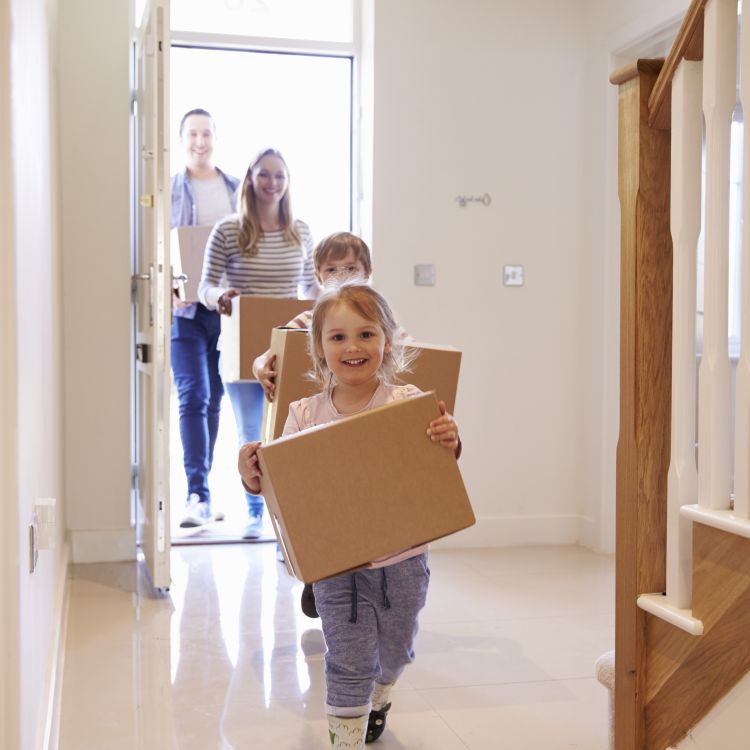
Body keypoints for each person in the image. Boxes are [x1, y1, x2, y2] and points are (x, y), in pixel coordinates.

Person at [237, 283, 461, 749]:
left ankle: (381, 695)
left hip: (403, 560)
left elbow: (435, 469)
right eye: (337, 337)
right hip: (336, 568)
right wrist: (252, 474)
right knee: (347, 658)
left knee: (394, 653)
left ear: (387, 341)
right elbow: (283, 489)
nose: (353, 347)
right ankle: (346, 737)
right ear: (319, 349)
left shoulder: (407, 402)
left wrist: (449, 439)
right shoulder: (303, 414)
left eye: (365, 334)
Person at [199, 147, 320, 539]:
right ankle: (255, 511)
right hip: (241, 349)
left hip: (289, 349)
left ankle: (286, 518)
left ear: (288, 182)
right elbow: (205, 285)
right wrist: (218, 296)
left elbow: (310, 287)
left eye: (279, 176)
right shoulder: (229, 230)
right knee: (252, 432)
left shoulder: (300, 231)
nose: (272, 183)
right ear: (250, 179)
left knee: (291, 434)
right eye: (264, 175)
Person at [171, 108, 240, 528]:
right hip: (185, 311)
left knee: (215, 399)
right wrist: (167, 288)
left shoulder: (234, 188)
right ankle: (196, 492)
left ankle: (206, 489)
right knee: (192, 395)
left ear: (215, 138)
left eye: (206, 134)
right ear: (182, 140)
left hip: (227, 309)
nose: (200, 141)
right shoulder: (171, 188)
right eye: (193, 134)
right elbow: (157, 240)